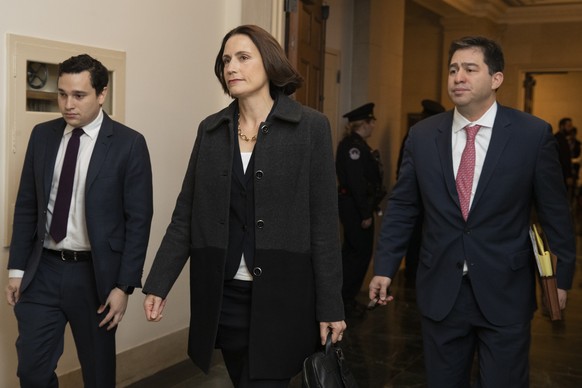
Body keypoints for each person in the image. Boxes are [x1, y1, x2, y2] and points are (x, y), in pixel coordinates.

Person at [142, 24, 345, 387]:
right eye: (225, 60)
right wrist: (159, 282)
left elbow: (325, 224)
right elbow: (186, 214)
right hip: (225, 295)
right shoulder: (211, 130)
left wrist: (332, 306)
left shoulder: (310, 127)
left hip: (284, 295)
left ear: (269, 63)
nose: (231, 67)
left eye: (242, 57)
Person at [369, 36, 575, 387]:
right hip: (442, 291)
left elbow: (556, 212)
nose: (458, 77)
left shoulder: (532, 135)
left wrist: (561, 279)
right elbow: (403, 205)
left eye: (469, 69)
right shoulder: (422, 136)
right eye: (453, 70)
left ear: (496, 79)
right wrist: (385, 267)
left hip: (505, 289)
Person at [4, 54, 153, 388]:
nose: (68, 104)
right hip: (43, 270)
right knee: (32, 371)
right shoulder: (42, 136)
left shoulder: (129, 144)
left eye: (79, 95)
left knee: (98, 375)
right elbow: (27, 204)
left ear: (101, 94)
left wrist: (124, 286)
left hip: (95, 276)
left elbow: (139, 220)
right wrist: (16, 270)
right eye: (62, 94)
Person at [336, 102, 386, 317]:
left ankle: (347, 298)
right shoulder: (352, 147)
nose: (373, 125)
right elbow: (356, 183)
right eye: (371, 121)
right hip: (355, 208)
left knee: (355, 254)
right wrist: (365, 213)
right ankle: (344, 300)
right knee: (358, 255)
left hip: (358, 206)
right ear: (363, 123)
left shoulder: (359, 145)